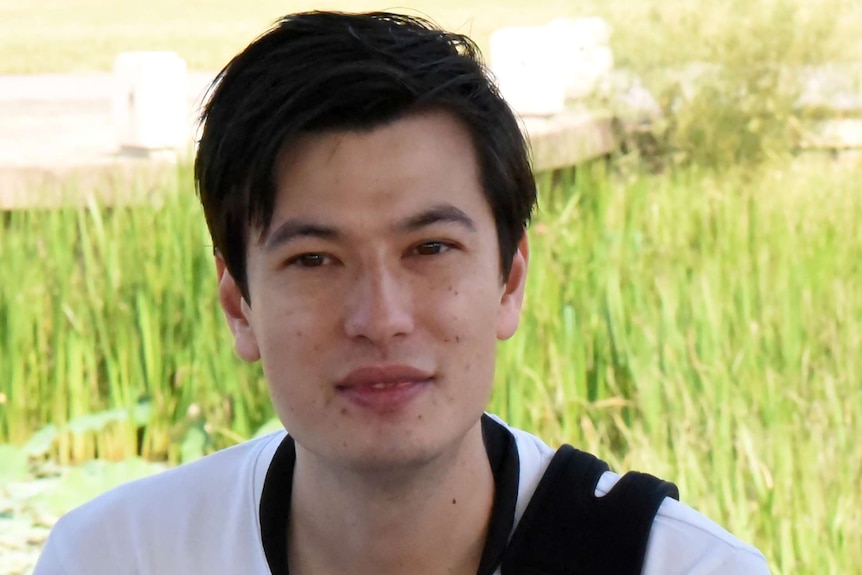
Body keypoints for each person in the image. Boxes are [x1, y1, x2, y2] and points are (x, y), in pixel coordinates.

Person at [34, 11, 770, 575]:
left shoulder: (675, 566)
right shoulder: (117, 556)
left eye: (430, 249)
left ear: (510, 279)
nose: (380, 318)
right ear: (239, 305)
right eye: (315, 259)